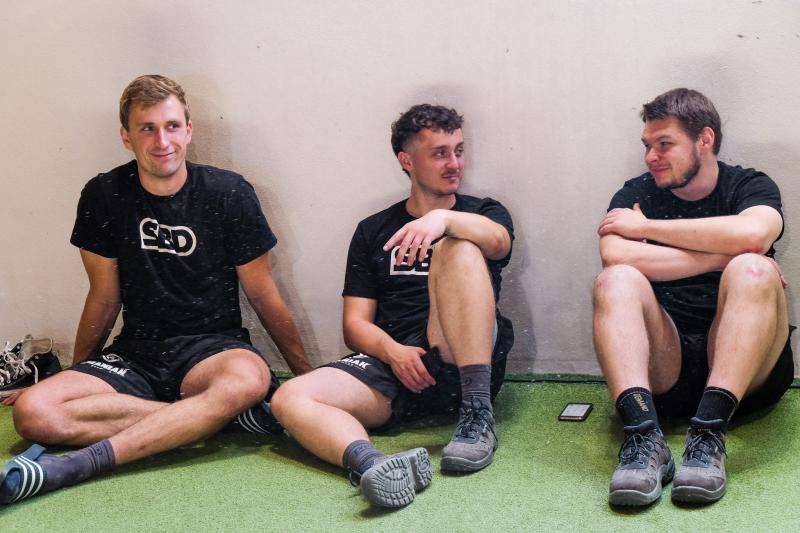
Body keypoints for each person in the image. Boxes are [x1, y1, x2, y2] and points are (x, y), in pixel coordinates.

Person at [0, 74, 312, 504]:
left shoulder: (229, 193)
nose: (162, 141)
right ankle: (206, 421)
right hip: (136, 354)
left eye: (171, 126)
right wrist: (76, 374)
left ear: (189, 130)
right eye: (147, 128)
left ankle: (82, 463)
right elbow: (103, 297)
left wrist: (306, 380)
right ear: (126, 137)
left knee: (249, 379)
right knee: (33, 412)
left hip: (213, 351)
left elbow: (263, 295)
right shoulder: (104, 194)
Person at [270, 104, 514, 508]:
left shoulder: (482, 212)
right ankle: (376, 465)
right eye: (440, 153)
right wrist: (392, 352)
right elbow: (355, 325)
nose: (454, 163)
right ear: (407, 161)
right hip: (396, 365)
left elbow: (499, 242)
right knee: (289, 397)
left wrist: (443, 222)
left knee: (455, 248)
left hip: (457, 356)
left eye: (458, 150)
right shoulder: (373, 230)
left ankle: (477, 412)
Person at [594, 88, 793, 506]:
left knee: (752, 269)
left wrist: (647, 230)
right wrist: (723, 253)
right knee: (615, 280)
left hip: (749, 375)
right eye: (647, 145)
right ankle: (643, 437)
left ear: (705, 139)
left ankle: (709, 434)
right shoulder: (637, 193)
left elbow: (754, 234)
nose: (651, 156)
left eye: (665, 144)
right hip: (666, 366)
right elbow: (614, 253)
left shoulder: (750, 185)